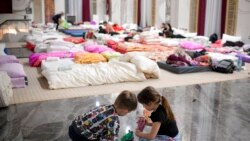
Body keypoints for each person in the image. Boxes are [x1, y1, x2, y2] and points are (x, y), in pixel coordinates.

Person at [68, 90, 138, 141]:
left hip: (73, 127)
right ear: (125, 110)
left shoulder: (104, 106)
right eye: (129, 111)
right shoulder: (114, 121)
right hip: (80, 137)